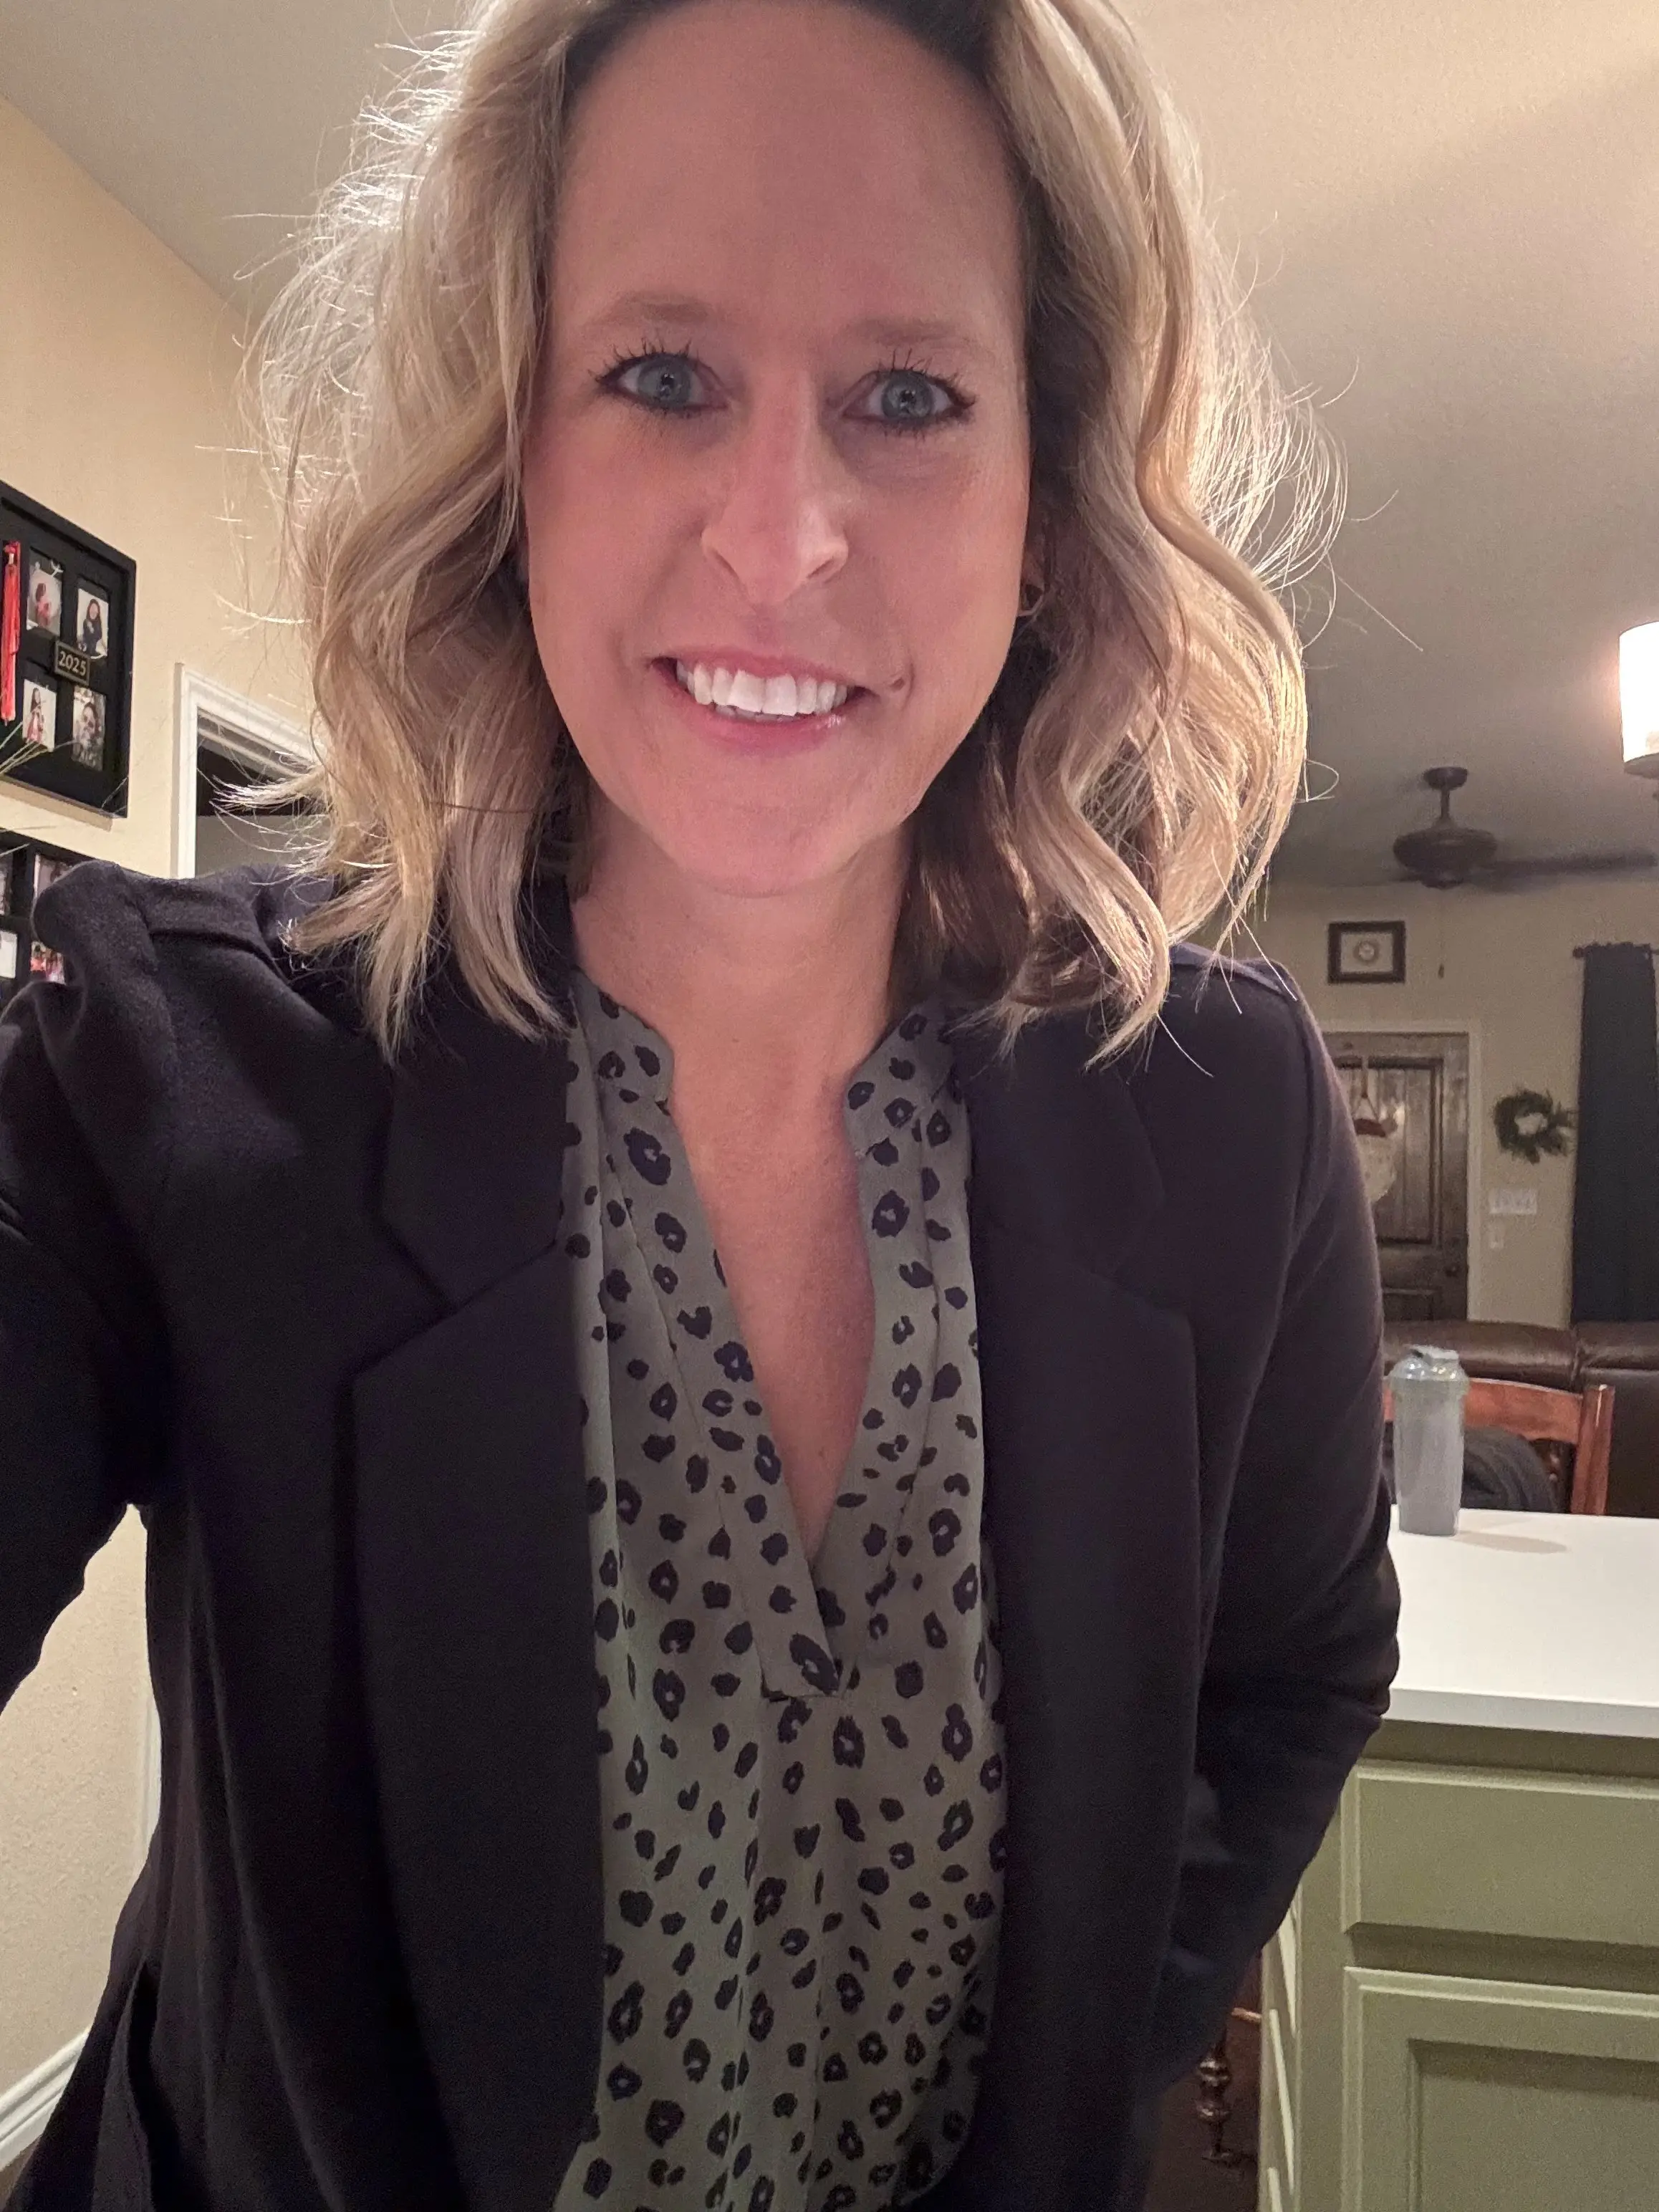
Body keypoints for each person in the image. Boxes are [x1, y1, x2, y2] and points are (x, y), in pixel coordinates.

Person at [0, 3, 1400, 2208]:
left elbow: (1298, 1657)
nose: (780, 536)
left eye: (910, 398)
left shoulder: (1224, 1117)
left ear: (1046, 508)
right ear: (516, 453)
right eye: (660, 375)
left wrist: (1054, 2069)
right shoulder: (168, 1075)